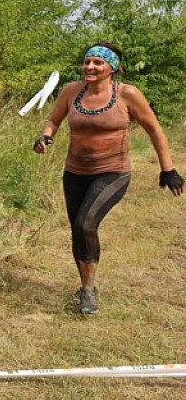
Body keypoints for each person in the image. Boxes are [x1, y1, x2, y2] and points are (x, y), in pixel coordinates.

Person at [33, 42, 183, 314]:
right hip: (75, 172)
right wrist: (46, 136)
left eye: (98, 63)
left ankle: (88, 292)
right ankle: (85, 285)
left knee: (86, 223)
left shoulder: (128, 94)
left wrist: (167, 168)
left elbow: (154, 129)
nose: (90, 66)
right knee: (78, 230)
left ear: (112, 68)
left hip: (113, 171)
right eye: (87, 61)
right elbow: (53, 120)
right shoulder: (71, 91)